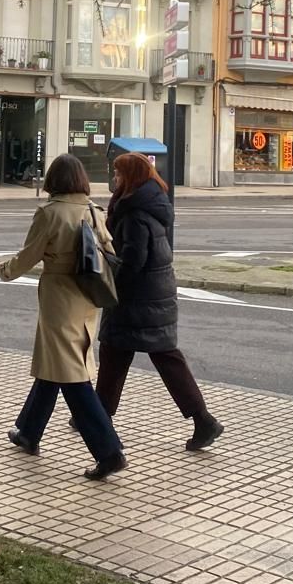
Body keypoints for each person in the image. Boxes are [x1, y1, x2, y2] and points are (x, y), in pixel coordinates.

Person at [0, 154, 128, 480]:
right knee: (57, 365)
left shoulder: (50, 213)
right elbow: (110, 256)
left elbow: (28, 256)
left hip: (58, 299)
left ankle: (109, 451)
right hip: (87, 299)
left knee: (72, 377)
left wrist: (3, 270)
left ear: (53, 180)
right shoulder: (94, 212)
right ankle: (28, 431)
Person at [96, 152, 223, 451]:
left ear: (131, 177)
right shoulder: (150, 204)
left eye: (118, 173)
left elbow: (134, 261)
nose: (114, 179)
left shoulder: (135, 212)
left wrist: (110, 277)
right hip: (155, 295)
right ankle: (203, 420)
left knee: (118, 354)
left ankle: (100, 418)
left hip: (137, 299)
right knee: (153, 356)